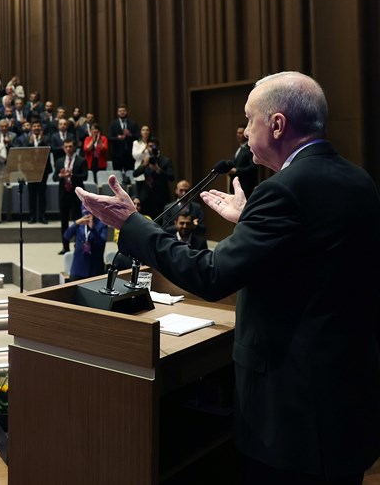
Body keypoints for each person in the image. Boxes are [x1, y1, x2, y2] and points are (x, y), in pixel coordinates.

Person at [76, 72, 380, 483]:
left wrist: (134, 224)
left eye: (249, 120)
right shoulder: (358, 179)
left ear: (276, 124)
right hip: (345, 399)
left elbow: (212, 276)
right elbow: (309, 260)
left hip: (291, 415)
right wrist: (251, 219)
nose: (243, 133)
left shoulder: (284, 191)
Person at [54, 137, 87, 254]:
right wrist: (60, 175)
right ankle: (65, 246)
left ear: (74, 147)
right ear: (63, 148)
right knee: (64, 221)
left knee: (78, 220)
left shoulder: (81, 160)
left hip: (76, 194)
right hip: (63, 194)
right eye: (66, 147)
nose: (68, 149)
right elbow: (54, 177)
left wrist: (72, 175)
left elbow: (85, 176)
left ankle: (78, 244)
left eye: (70, 146)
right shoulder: (59, 161)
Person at [61, 205, 108, 280]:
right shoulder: (79, 224)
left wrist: (93, 229)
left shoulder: (101, 225)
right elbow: (66, 236)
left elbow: (101, 243)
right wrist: (76, 223)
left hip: (95, 268)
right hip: (78, 268)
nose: (87, 214)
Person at [230, 124, 258, 198]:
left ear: (246, 134)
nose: (238, 135)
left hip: (245, 186)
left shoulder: (250, 149)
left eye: (240, 133)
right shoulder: (239, 149)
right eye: (237, 133)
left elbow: (253, 167)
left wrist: (237, 171)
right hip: (235, 186)